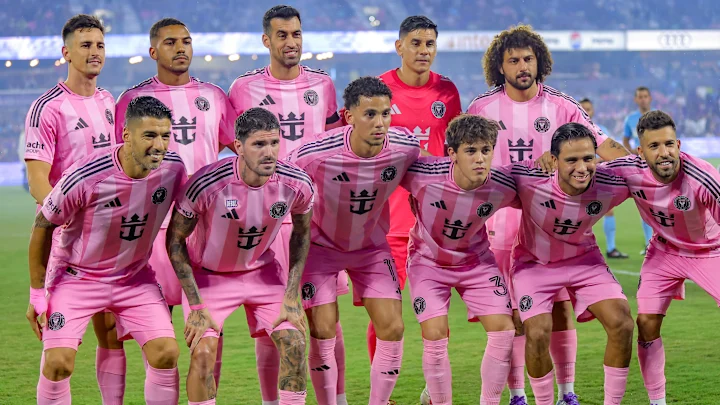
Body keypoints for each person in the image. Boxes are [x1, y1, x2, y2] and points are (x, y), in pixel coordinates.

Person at [466, 24, 630, 405]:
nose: (522, 66)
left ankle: (567, 393)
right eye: (513, 60)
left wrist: (640, 166)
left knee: (559, 310)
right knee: (513, 319)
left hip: (551, 226)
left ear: (539, 61)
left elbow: (602, 144)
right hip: (499, 228)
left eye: (528, 59)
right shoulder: (481, 108)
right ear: (500, 66)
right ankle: (517, 394)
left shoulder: (562, 105)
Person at [26, 96, 186, 405]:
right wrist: (37, 295)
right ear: (126, 135)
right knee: (58, 363)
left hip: (134, 278)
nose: (159, 145)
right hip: (76, 278)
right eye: (149, 135)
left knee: (166, 353)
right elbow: (43, 224)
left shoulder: (173, 169)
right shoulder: (86, 175)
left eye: (165, 136)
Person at [227, 6, 348, 404]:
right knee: (271, 324)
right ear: (267, 40)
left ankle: (337, 400)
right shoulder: (243, 88)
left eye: (296, 33)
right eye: (282, 35)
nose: (291, 42)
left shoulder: (323, 84)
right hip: (265, 221)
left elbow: (335, 144)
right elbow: (234, 148)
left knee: (327, 322)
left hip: (318, 216)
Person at [115, 17, 237, 389]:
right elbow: (121, 162)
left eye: (186, 41)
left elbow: (238, 148)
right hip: (153, 227)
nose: (181, 48)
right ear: (153, 51)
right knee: (159, 334)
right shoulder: (133, 101)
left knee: (209, 328)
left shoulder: (214, 96)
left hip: (206, 227)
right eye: (170, 42)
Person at [166, 107, 311, 405]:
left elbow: (302, 233)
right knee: (203, 354)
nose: (269, 152)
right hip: (209, 278)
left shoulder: (297, 183)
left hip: (263, 274)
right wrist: (196, 304)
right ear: (238, 146)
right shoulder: (207, 184)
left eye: (274, 143)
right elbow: (175, 240)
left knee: (295, 343)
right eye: (259, 144)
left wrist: (292, 295)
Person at [291, 76, 419, 405]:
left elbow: (431, 174)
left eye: (386, 114)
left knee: (393, 327)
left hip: (371, 249)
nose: (380, 123)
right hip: (320, 249)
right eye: (370, 114)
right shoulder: (315, 153)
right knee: (322, 331)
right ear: (349, 117)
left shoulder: (405, 148)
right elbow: (281, 180)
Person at [23, 14, 124, 404]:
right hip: (67, 241)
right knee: (60, 352)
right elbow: (38, 180)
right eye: (85, 45)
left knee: (111, 332)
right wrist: (67, 217)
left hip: (110, 239)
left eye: (99, 45)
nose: (94, 52)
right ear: (66, 52)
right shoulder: (47, 107)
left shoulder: (108, 101)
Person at [367, 18, 462, 404]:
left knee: (436, 313)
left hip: (433, 223)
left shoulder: (447, 91)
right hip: (386, 221)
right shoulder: (378, 89)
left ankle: (433, 389)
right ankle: (383, 396)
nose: (424, 50)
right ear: (399, 46)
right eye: (417, 42)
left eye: (430, 43)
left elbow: (455, 151)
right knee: (384, 316)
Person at [509, 123, 634, 405]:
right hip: (534, 264)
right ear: (554, 161)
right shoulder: (529, 180)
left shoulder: (610, 182)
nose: (582, 168)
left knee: (622, 323)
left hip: (584, 261)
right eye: (572, 160)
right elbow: (482, 183)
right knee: (537, 332)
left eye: (588, 158)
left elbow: (646, 172)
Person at [604, 111, 720, 405]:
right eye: (654, 146)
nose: (664, 152)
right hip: (664, 250)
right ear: (640, 152)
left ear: (678, 144)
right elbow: (585, 173)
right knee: (646, 322)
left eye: (669, 144)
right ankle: (658, 402)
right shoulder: (629, 170)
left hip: (709, 250)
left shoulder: (703, 177)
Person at [402, 114, 516, 405]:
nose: (480, 159)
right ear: (452, 153)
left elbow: (541, 183)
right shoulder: (423, 174)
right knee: (435, 335)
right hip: (428, 263)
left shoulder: (504, 184)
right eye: (470, 150)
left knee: (504, 331)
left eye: (486, 150)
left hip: (476, 263)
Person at [579, 98, 628, 260]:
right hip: (578, 178)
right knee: (579, 214)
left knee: (608, 210)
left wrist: (597, 161)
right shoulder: (571, 132)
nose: (586, 112)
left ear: (593, 111)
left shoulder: (601, 130)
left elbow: (609, 154)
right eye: (583, 109)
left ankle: (611, 248)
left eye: (588, 109)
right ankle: (580, 250)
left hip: (598, 177)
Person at [623, 87, 655, 254]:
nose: (643, 99)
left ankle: (665, 241)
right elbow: (626, 139)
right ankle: (650, 243)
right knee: (645, 204)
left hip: (658, 164)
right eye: (640, 97)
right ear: (636, 100)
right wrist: (631, 153)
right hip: (642, 166)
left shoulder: (658, 117)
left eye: (645, 96)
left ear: (650, 98)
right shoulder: (630, 119)